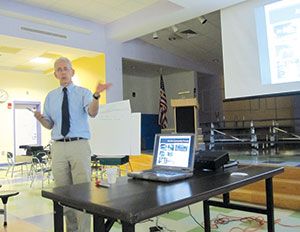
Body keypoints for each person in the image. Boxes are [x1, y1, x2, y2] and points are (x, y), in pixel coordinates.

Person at [34, 57, 112, 232]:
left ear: (72, 72)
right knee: (64, 194)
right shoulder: (51, 97)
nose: (63, 72)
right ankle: (72, 229)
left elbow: (92, 112)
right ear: (55, 74)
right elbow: (50, 125)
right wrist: (41, 119)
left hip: (79, 145)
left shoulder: (83, 93)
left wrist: (96, 96)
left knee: (83, 192)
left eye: (66, 69)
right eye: (59, 70)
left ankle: (84, 230)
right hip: (58, 147)